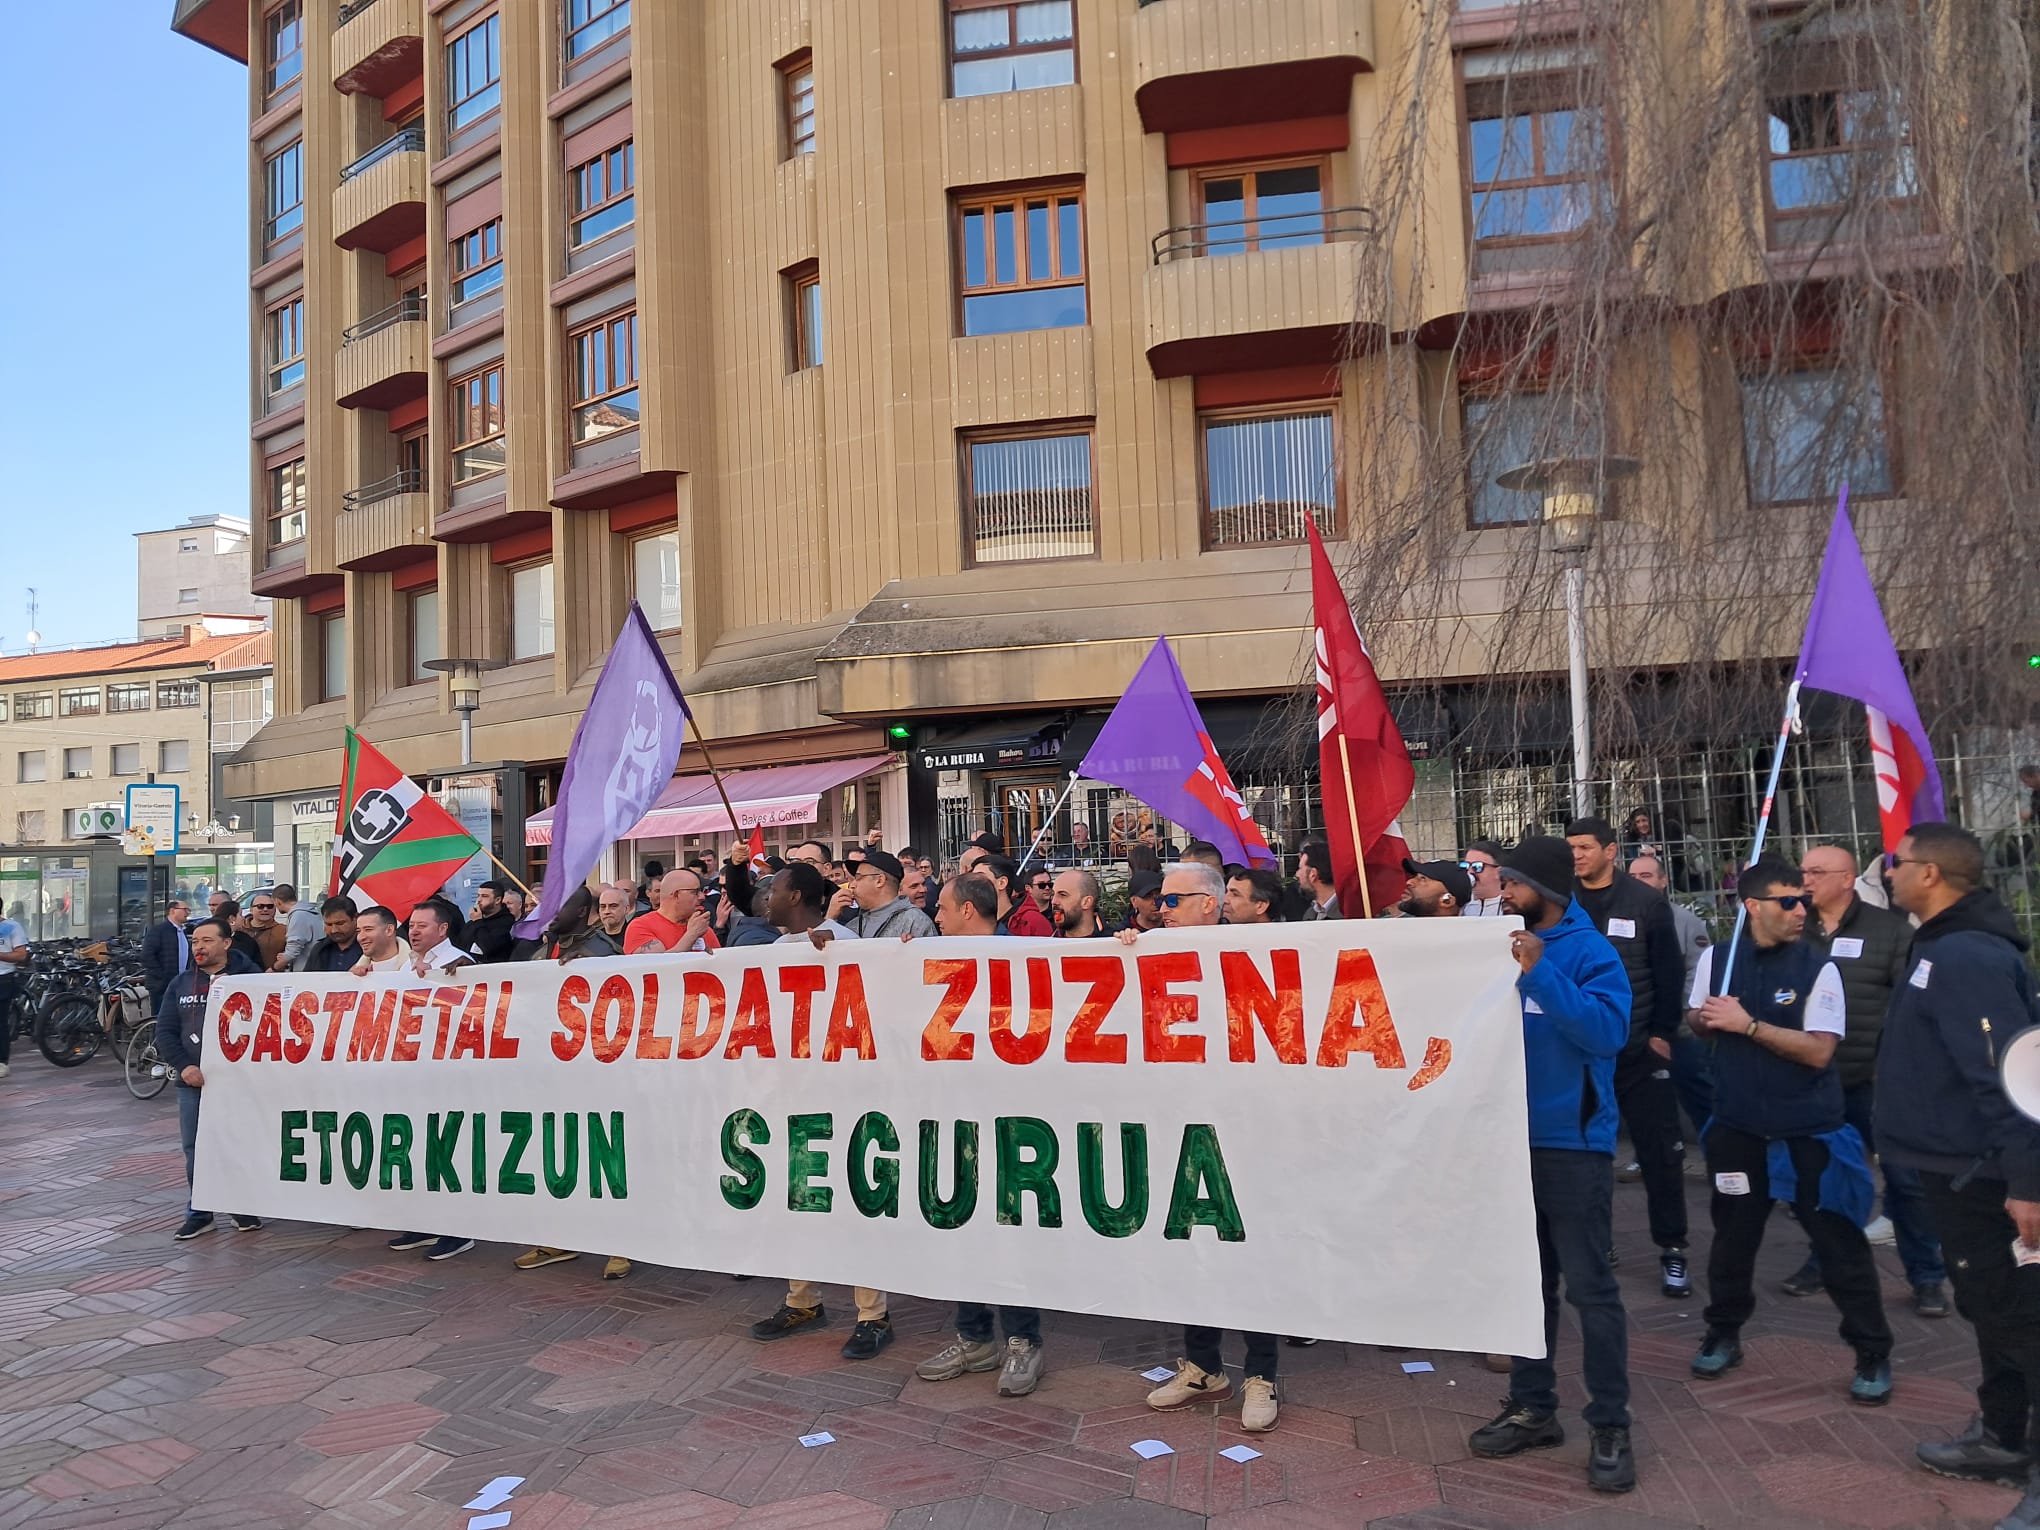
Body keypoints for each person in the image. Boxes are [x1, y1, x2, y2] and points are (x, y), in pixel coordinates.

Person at [1874, 823, 2040, 1511]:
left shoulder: (1966, 956)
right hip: (1952, 1167)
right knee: (1990, 1310)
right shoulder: (1936, 946)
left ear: (1932, 875)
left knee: (2021, 1319)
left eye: (1896, 862)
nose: (1887, 872)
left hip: (1988, 1177)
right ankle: (2002, 1435)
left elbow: (2009, 1078)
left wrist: (2029, 1184)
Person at [1684, 860, 1892, 1405]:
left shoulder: (1818, 969)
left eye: (1803, 899)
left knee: (1839, 1243)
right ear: (1752, 906)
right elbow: (1697, 1019)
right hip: (1738, 1126)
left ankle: (1872, 1351)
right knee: (1732, 1240)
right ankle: (1723, 1332)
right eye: (1787, 901)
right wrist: (1707, 1018)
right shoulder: (1717, 960)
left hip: (1809, 1131)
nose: (1801, 910)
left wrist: (1747, 1024)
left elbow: (1820, 1050)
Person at [1468, 836, 1636, 1494]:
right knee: (1525, 1289)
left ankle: (1611, 1424)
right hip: (1505, 1143)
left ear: (1546, 888)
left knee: (1592, 1290)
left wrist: (1539, 972)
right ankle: (1533, 1406)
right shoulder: (1489, 944)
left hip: (1572, 1146)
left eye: (1511, 882)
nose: (1501, 892)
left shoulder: (1590, 952)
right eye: (1499, 881)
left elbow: (1605, 1033)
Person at [1122, 863, 1280, 1432]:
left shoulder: (1262, 952)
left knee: (1249, 1249)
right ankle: (1203, 1366)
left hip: (1247, 1126)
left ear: (1208, 905)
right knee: (1190, 1246)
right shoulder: (1155, 951)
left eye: (1172, 899)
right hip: (1182, 1123)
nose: (1159, 907)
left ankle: (1262, 1374)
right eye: (1161, 900)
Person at [1784, 843, 1946, 1317]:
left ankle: (1927, 1275)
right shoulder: (1794, 930)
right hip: (1814, 1079)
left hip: (1875, 1080)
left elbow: (1911, 1007)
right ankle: (1823, 1262)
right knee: (1821, 1179)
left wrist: (1893, 1064)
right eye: (1803, 870)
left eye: (1816, 871)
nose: (1806, 879)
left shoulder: (1891, 932)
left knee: (1905, 1180)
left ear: (1847, 878)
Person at [746, 872, 894, 1360]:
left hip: (846, 1099)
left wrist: (830, 950)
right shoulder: (778, 947)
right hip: (794, 1098)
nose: (765, 900)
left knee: (855, 1204)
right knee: (800, 1201)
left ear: (794, 896)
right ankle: (803, 1301)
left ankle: (873, 1315)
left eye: (774, 890)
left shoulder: (840, 942)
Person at [916, 873, 1047, 1400]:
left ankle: (1023, 1339)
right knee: (959, 1225)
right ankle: (974, 1337)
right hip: (952, 1116)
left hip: (1010, 1118)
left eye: (943, 908)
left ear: (969, 911)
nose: (936, 918)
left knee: (1007, 1230)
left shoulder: (1024, 956)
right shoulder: (927, 960)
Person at [1566, 816, 1691, 1299]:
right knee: (1588, 1157)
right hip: (1582, 1055)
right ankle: (1599, 1245)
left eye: (1585, 847)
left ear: (1611, 851)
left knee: (1660, 1154)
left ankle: (1673, 1249)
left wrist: (1662, 1034)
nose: (1577, 855)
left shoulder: (1645, 904)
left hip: (1638, 1052)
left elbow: (1668, 972)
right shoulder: (1563, 902)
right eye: (1571, 847)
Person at [515, 885, 633, 1281]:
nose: (549, 909)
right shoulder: (540, 949)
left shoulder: (601, 951)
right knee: (556, 1158)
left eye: (559, 902)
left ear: (584, 912)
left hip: (597, 1075)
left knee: (607, 1159)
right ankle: (558, 1237)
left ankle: (620, 1245)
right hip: (551, 1075)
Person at [156, 917, 265, 1241]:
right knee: (195, 1148)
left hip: (241, 1083)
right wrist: (183, 1066)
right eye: (194, 942)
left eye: (206, 941)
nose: (199, 948)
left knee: (241, 1144)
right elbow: (165, 1032)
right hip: (193, 1083)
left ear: (226, 943)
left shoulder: (252, 979)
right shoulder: (180, 984)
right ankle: (199, 1212)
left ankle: (241, 1206)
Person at [387, 897, 478, 1262]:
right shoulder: (407, 965)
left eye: (422, 926)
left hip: (451, 1075)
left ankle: (457, 1229)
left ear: (442, 930)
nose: (415, 931)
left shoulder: (462, 964)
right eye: (412, 926)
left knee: (449, 1150)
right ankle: (425, 1221)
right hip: (413, 1071)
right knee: (418, 1147)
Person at [1628, 854, 1715, 1144]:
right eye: (1634, 876)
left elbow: (1698, 970)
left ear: (1663, 881)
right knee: (1647, 1101)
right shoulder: (1623, 919)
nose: (1639, 882)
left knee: (1699, 1096)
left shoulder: (1686, 922)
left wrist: (1676, 1011)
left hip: (1679, 1030)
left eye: (1647, 876)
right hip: (1638, 1029)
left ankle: (1720, 1157)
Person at [843, 850, 937, 941]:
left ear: (880, 880)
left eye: (858, 877)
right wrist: (831, 918)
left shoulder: (915, 922)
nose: (852, 885)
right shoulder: (853, 926)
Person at [625, 869, 720, 954]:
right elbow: (658, 966)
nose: (702, 897)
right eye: (695, 892)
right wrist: (692, 935)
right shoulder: (641, 926)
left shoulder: (702, 928)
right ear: (676, 895)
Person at [141, 897, 192, 1017]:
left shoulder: (182, 931)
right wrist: (162, 976)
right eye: (185, 909)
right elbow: (147, 956)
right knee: (161, 1019)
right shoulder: (159, 931)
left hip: (181, 984)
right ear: (173, 911)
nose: (188, 913)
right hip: (162, 986)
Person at [0, 904, 27, 1080]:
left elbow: (20, 955)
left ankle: (2, 1062)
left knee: (0, 1021)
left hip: (3, 978)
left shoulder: (11, 927)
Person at [303, 897, 363, 973]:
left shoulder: (370, 948)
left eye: (340, 923)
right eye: (329, 924)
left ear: (355, 918)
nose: (334, 930)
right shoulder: (319, 949)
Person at [271, 884, 322, 972]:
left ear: (277, 901)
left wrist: (273, 968)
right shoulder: (311, 913)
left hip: (305, 972)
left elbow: (293, 951)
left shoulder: (298, 916)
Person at [348, 906, 411, 974]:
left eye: (368, 929)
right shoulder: (354, 972)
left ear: (389, 930)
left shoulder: (417, 967)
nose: (361, 937)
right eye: (358, 931)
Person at [467, 881, 517, 965]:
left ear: (497, 900)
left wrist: (478, 922)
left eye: (484, 896)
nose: (479, 900)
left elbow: (488, 946)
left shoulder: (506, 922)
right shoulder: (473, 922)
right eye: (478, 896)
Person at [1050, 869, 1107, 938]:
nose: (1053, 901)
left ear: (1086, 902)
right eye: (1053, 895)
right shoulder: (1046, 943)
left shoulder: (1113, 942)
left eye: (1063, 895)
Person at [214, 899, 265, 969]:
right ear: (232, 918)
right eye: (240, 915)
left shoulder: (245, 939)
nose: (243, 918)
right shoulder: (244, 941)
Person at [1460, 841, 1507, 917]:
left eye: (1478, 866)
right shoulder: (1461, 905)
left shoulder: (1510, 905)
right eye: (1466, 866)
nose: (1470, 871)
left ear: (1499, 872)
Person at [245, 891, 288, 971]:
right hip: (240, 978)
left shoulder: (284, 931)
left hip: (272, 978)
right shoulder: (240, 929)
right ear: (251, 909)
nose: (265, 909)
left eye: (270, 906)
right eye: (260, 906)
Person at [1297, 840, 1339, 920]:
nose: (1297, 875)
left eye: (1300, 869)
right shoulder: (1310, 914)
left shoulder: (1350, 913)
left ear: (1313, 874)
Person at [1124, 869, 1165, 933]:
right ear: (1134, 901)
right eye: (1148, 896)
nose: (1155, 902)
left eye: (1159, 895)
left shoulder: (1175, 926)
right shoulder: (1122, 933)